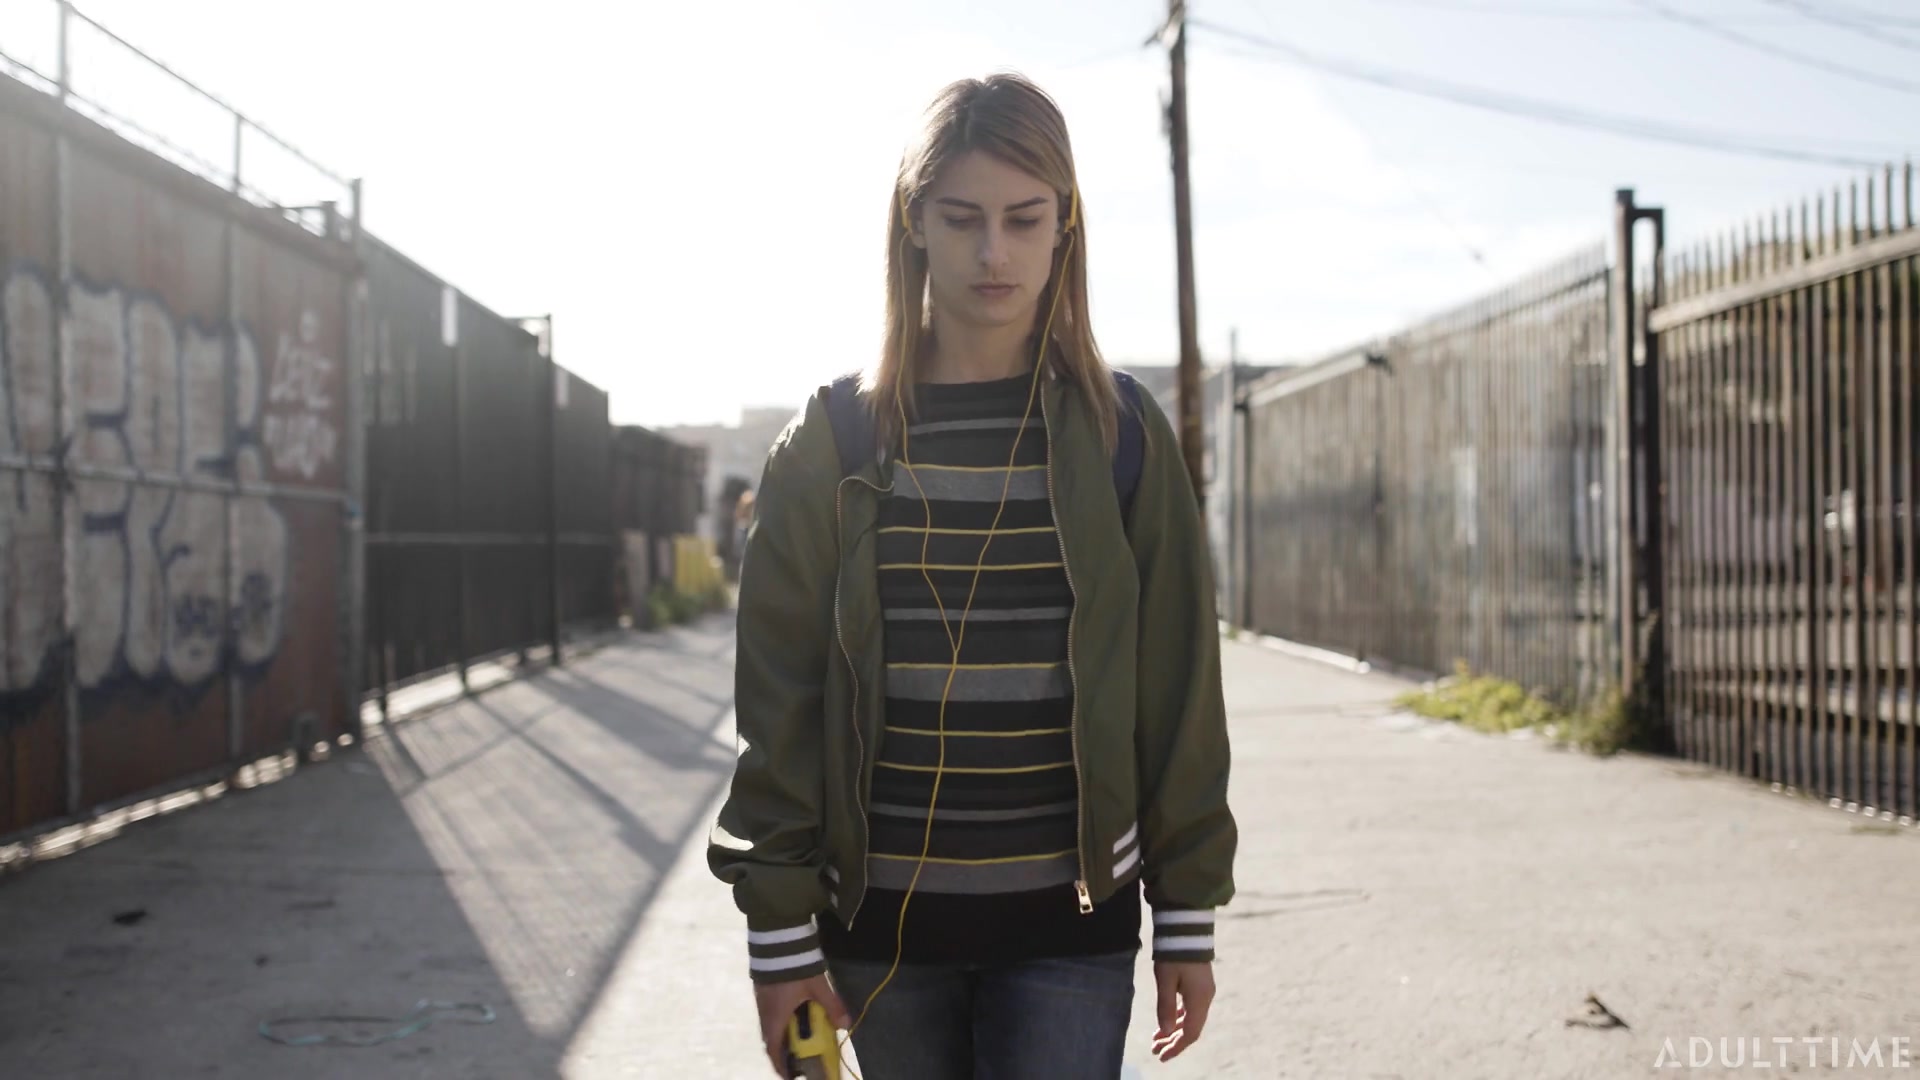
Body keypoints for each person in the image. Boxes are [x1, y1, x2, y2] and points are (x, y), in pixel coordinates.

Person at [708, 71, 1236, 1079]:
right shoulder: (833, 440)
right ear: (914, 223)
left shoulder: (1123, 434)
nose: (994, 252)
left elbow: (1178, 690)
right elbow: (779, 704)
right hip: (879, 934)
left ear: (1064, 226)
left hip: (1071, 931)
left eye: (1023, 219)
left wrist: (1187, 912)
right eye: (962, 219)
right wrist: (778, 937)